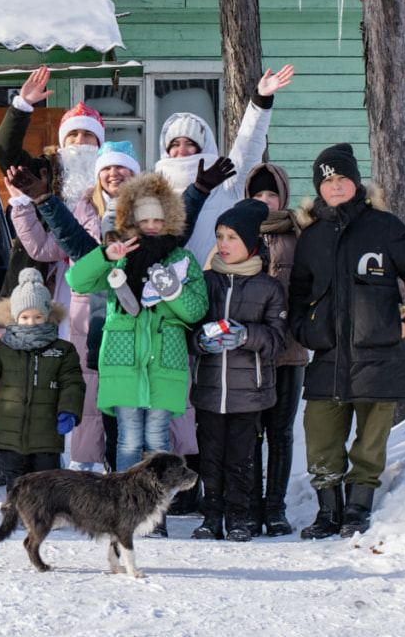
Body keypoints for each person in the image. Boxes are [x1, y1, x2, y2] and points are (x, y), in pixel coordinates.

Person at [289, 144, 405, 539]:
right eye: (327, 181)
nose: (335, 186)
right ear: (318, 188)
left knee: (370, 441)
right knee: (321, 436)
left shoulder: (385, 227)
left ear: (355, 182)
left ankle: (357, 509)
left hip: (378, 355)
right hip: (328, 357)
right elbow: (298, 294)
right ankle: (328, 512)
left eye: (341, 179)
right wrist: (306, 330)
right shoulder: (311, 237)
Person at [65, 172, 208, 537]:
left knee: (159, 439)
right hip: (124, 364)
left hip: (165, 365)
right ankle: (126, 513)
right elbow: (77, 281)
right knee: (128, 439)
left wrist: (172, 291)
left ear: (170, 220)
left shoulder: (183, 260)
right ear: (132, 222)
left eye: (159, 219)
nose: (152, 226)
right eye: (144, 220)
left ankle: (156, 516)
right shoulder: (120, 257)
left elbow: (195, 312)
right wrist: (104, 255)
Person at [1, 140, 137, 474]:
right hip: (84, 312)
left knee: (128, 399)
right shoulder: (82, 208)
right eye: (106, 168)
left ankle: (126, 471)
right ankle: (86, 462)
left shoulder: (147, 209)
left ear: (134, 171)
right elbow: (47, 247)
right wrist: (23, 204)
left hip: (133, 314)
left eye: (121, 167)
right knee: (88, 388)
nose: (113, 174)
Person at [189, 199, 288, 542]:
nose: (223, 244)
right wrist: (201, 340)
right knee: (210, 456)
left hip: (251, 393)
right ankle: (211, 517)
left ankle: (239, 518)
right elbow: (188, 330)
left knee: (242, 459)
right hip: (210, 390)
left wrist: (246, 335)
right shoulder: (205, 282)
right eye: (219, 236)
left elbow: (278, 340)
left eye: (232, 237)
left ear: (250, 244)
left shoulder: (268, 287)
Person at [155, 65, 295, 268]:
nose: (182, 151)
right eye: (175, 145)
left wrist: (260, 102)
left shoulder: (224, 185)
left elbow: (247, 146)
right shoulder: (154, 191)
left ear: (202, 148)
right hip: (169, 295)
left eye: (190, 144)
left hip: (217, 288)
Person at [0, 268, 85, 491]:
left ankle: (45, 517)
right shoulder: (3, 346)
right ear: (15, 317)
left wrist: (69, 410)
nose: (31, 323)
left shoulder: (62, 350)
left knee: (46, 481)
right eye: (25, 317)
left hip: (47, 434)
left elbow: (72, 383)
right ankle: (17, 515)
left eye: (38, 317)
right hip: (10, 434)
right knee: (16, 481)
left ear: (47, 316)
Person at [0, 66, 105, 296]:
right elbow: (4, 151)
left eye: (87, 135)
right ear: (63, 141)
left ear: (99, 142)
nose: (79, 141)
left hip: (96, 278)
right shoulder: (44, 170)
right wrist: (22, 106)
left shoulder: (110, 175)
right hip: (41, 277)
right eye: (73, 135)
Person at [244, 162, 310, 536]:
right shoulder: (236, 232)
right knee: (251, 430)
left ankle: (276, 508)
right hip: (249, 350)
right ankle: (252, 506)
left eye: (272, 195)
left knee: (281, 432)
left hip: (290, 349)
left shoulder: (299, 233)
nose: (266, 202)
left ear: (282, 196)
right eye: (259, 195)